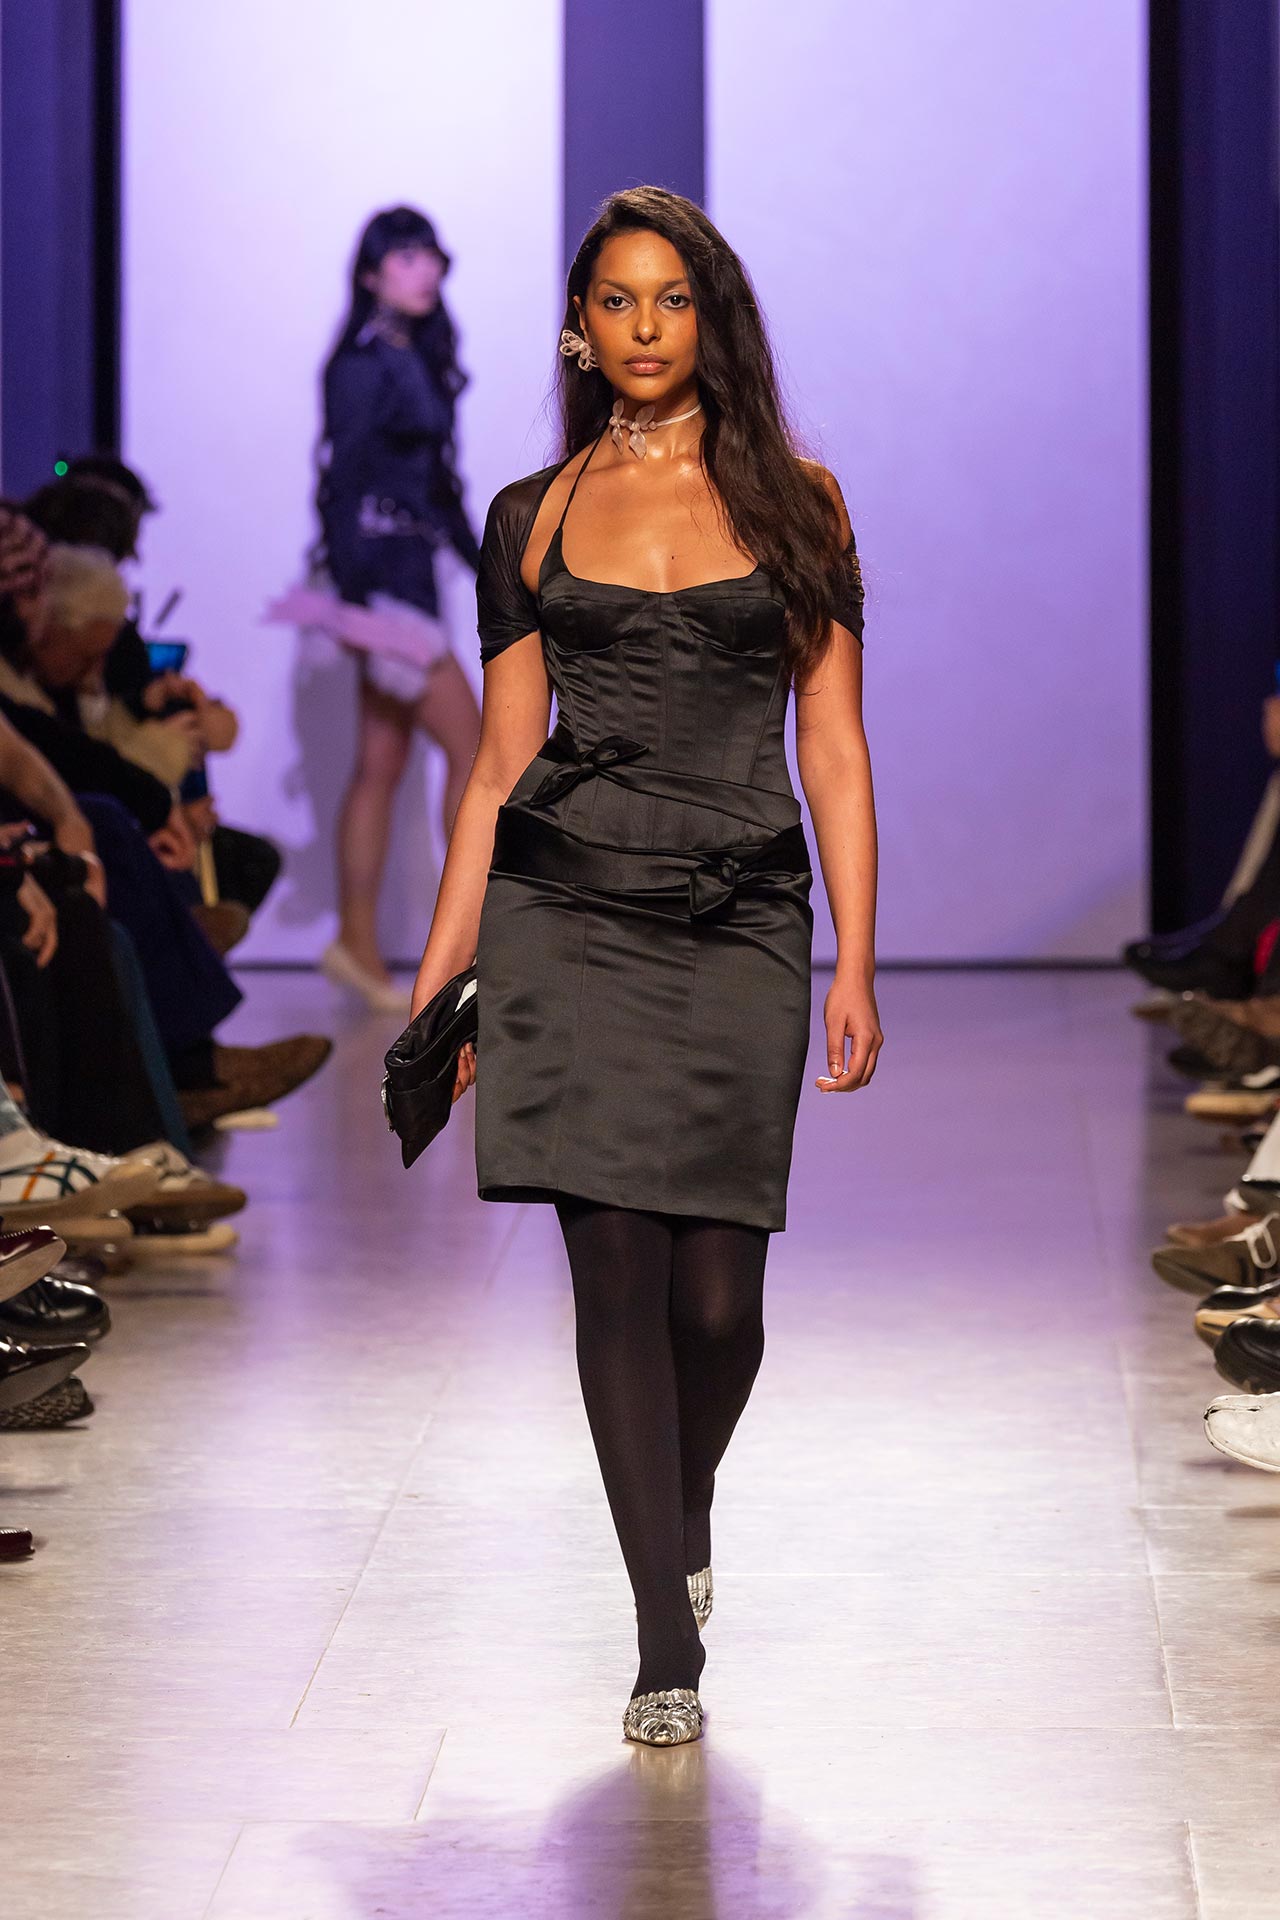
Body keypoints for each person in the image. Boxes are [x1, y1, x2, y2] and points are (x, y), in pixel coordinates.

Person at [410, 187, 881, 1746]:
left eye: (672, 299)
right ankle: (660, 1636)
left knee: (722, 1304)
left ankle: (683, 1507)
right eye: (616, 301)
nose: (645, 328)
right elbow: (498, 767)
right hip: (565, 917)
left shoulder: (801, 503)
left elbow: (834, 745)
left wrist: (856, 963)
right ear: (579, 327)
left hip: (743, 917)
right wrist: (442, 980)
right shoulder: (532, 516)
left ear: (713, 316)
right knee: (613, 1270)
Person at [311, 205, 483, 1012]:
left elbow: (438, 491)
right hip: (382, 587)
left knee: (380, 764)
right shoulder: (364, 363)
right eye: (406, 257)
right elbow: (341, 478)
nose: (426, 271)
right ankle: (465, 951)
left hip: (401, 579)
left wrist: (489, 564)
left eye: (430, 256)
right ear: (371, 273)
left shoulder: (414, 355)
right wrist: (354, 598)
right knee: (475, 750)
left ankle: (357, 946)